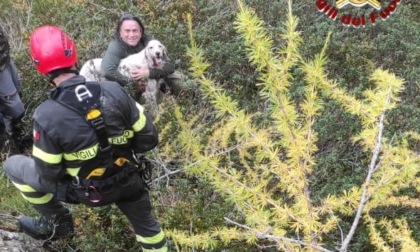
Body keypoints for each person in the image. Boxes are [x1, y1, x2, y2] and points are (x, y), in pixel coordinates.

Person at [3, 25, 168, 251]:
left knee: (13, 166)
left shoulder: (46, 115)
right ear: (73, 53)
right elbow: (149, 139)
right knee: (150, 231)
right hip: (129, 179)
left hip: (85, 192)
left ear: (38, 65)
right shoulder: (114, 90)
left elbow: (48, 174)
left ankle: (59, 222)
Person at [101, 13, 184, 98]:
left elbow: (169, 65)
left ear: (141, 31)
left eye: (135, 30)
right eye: (127, 31)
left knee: (180, 82)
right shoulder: (116, 46)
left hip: (154, 74)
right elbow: (107, 70)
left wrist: (149, 73)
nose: (132, 35)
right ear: (120, 32)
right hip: (134, 81)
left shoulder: (149, 42)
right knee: (148, 95)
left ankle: (188, 99)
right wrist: (132, 84)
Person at [0, 25, 30, 152]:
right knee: (13, 106)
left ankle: (19, 137)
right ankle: (10, 147)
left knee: (17, 94)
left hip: (5, 60)